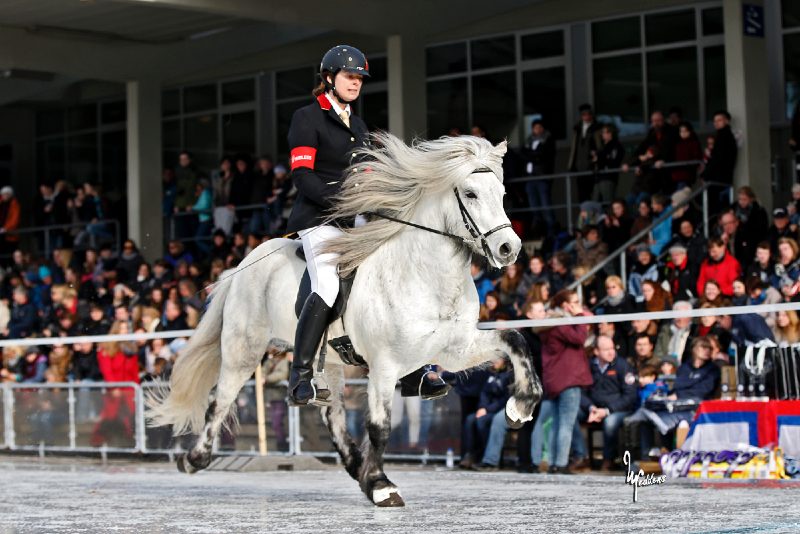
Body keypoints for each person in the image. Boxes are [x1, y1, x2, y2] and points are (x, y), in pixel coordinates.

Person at [285, 45, 445, 406]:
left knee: (392, 275)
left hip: (356, 219)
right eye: (349, 76)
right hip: (319, 219)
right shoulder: (307, 118)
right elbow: (303, 178)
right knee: (326, 284)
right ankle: (301, 375)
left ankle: (412, 372)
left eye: (359, 78)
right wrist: (344, 201)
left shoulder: (358, 125)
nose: (355, 83)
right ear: (329, 78)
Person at [531, 289, 592, 474]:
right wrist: (579, 315)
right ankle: (561, 463)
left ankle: (554, 463)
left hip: (554, 380)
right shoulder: (560, 323)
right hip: (568, 380)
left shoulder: (548, 325)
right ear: (565, 305)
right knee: (566, 424)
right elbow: (580, 338)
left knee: (557, 424)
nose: (577, 305)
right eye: (574, 302)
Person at [576, 335, 637, 470]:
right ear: (596, 351)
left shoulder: (623, 366)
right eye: (606, 349)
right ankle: (582, 456)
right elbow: (580, 392)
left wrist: (607, 410)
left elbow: (630, 396)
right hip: (594, 408)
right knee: (571, 414)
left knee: (610, 423)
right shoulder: (589, 366)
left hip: (618, 409)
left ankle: (608, 459)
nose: (611, 352)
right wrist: (591, 407)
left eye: (612, 348)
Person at [523, 120, 557, 235]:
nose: (537, 130)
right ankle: (538, 230)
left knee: (545, 205)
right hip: (530, 177)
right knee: (533, 207)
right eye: (535, 127)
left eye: (539, 127)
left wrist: (532, 156)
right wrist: (533, 156)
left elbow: (543, 155)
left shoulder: (548, 140)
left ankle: (551, 230)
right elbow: (523, 154)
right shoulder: (528, 140)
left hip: (542, 177)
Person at [701, 110, 738, 214]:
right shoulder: (723, 136)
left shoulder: (724, 137)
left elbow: (718, 160)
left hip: (719, 178)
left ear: (727, 121)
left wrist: (705, 175)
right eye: (715, 121)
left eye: (719, 120)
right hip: (721, 178)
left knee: (715, 208)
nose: (716, 123)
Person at [567, 103, 602, 202]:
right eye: (584, 114)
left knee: (594, 194)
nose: (586, 117)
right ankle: (584, 216)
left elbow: (599, 146)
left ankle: (594, 216)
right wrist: (571, 165)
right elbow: (574, 148)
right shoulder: (577, 128)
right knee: (581, 195)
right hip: (579, 166)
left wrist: (597, 160)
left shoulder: (597, 127)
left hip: (592, 165)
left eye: (588, 114)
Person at [592, 124, 625, 203]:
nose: (602, 134)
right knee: (595, 204)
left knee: (607, 203)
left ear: (610, 133)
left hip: (608, 178)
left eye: (604, 132)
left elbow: (613, 162)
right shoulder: (603, 146)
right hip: (599, 178)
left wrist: (598, 159)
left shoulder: (616, 146)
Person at [0, 186, 20, 261]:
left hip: (10, 234)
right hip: (1, 234)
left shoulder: (14, 204)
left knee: (10, 253)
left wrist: (6, 228)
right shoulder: (1, 202)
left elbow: (15, 218)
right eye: (4, 194)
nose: (5, 196)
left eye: (7, 194)